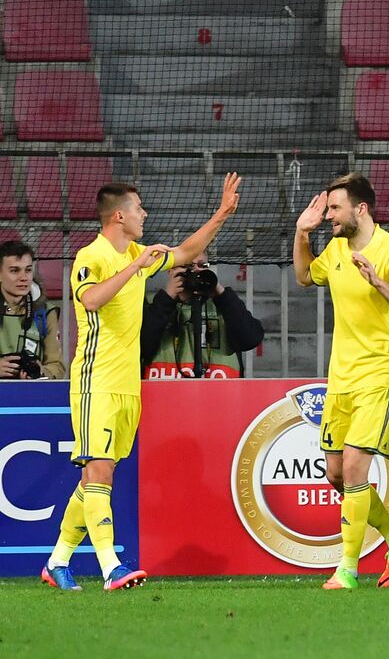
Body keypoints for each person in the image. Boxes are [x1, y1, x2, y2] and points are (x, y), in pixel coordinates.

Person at [41, 174, 241, 593]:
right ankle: (111, 566)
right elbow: (91, 299)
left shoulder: (136, 250)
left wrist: (222, 213)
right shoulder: (91, 255)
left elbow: (188, 251)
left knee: (95, 476)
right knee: (99, 471)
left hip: (127, 384)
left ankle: (57, 561)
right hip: (95, 381)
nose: (144, 213)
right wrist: (136, 267)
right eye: (138, 207)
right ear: (119, 215)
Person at [294, 173, 389, 591]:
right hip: (341, 377)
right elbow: (303, 277)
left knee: (354, 467)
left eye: (335, 208)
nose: (328, 215)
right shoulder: (333, 248)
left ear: (361, 209)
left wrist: (378, 282)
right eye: (327, 208)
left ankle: (346, 569)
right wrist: (301, 233)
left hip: (380, 372)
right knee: (335, 473)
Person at [140, 254, 265, 379]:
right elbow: (140, 347)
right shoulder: (155, 304)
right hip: (164, 393)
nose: (195, 271)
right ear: (171, 270)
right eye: (188, 266)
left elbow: (250, 339)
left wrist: (220, 293)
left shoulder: (223, 305)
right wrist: (166, 299)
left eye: (201, 266)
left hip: (219, 394)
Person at [0, 240, 65, 379]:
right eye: (14, 271)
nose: (23, 278)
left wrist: (40, 372)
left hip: (30, 396)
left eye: (28, 270)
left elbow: (57, 367)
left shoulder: (45, 312)